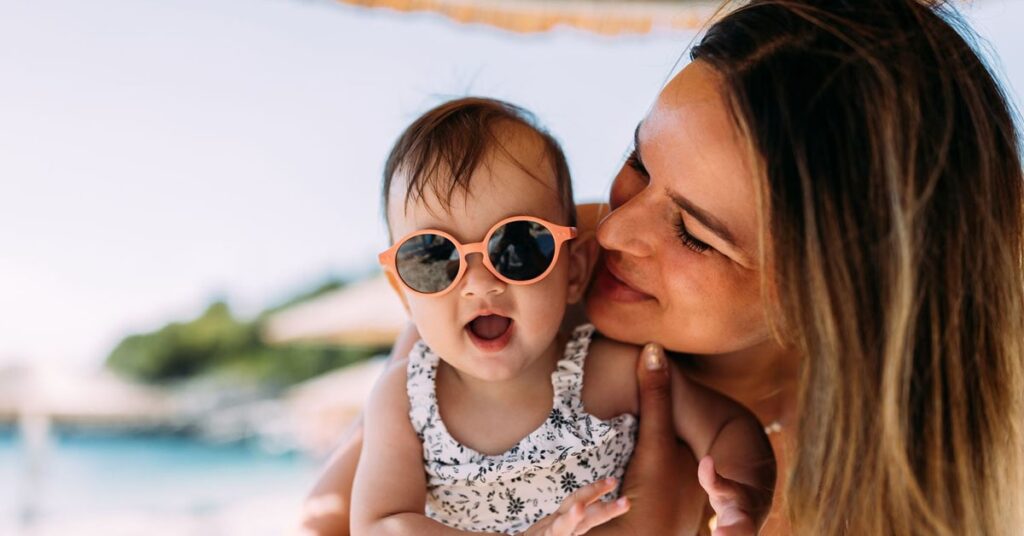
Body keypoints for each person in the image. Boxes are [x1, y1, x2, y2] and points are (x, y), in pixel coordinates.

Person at [301, 1, 1024, 534]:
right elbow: (331, 518)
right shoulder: (532, 256)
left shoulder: (892, 486)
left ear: (832, 298)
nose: (614, 230)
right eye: (638, 162)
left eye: (695, 235)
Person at [349, 97, 775, 535]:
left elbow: (729, 427)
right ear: (402, 292)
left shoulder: (611, 375)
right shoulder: (407, 399)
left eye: (518, 246)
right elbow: (380, 524)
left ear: (574, 271)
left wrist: (741, 502)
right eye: (433, 257)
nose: (479, 283)